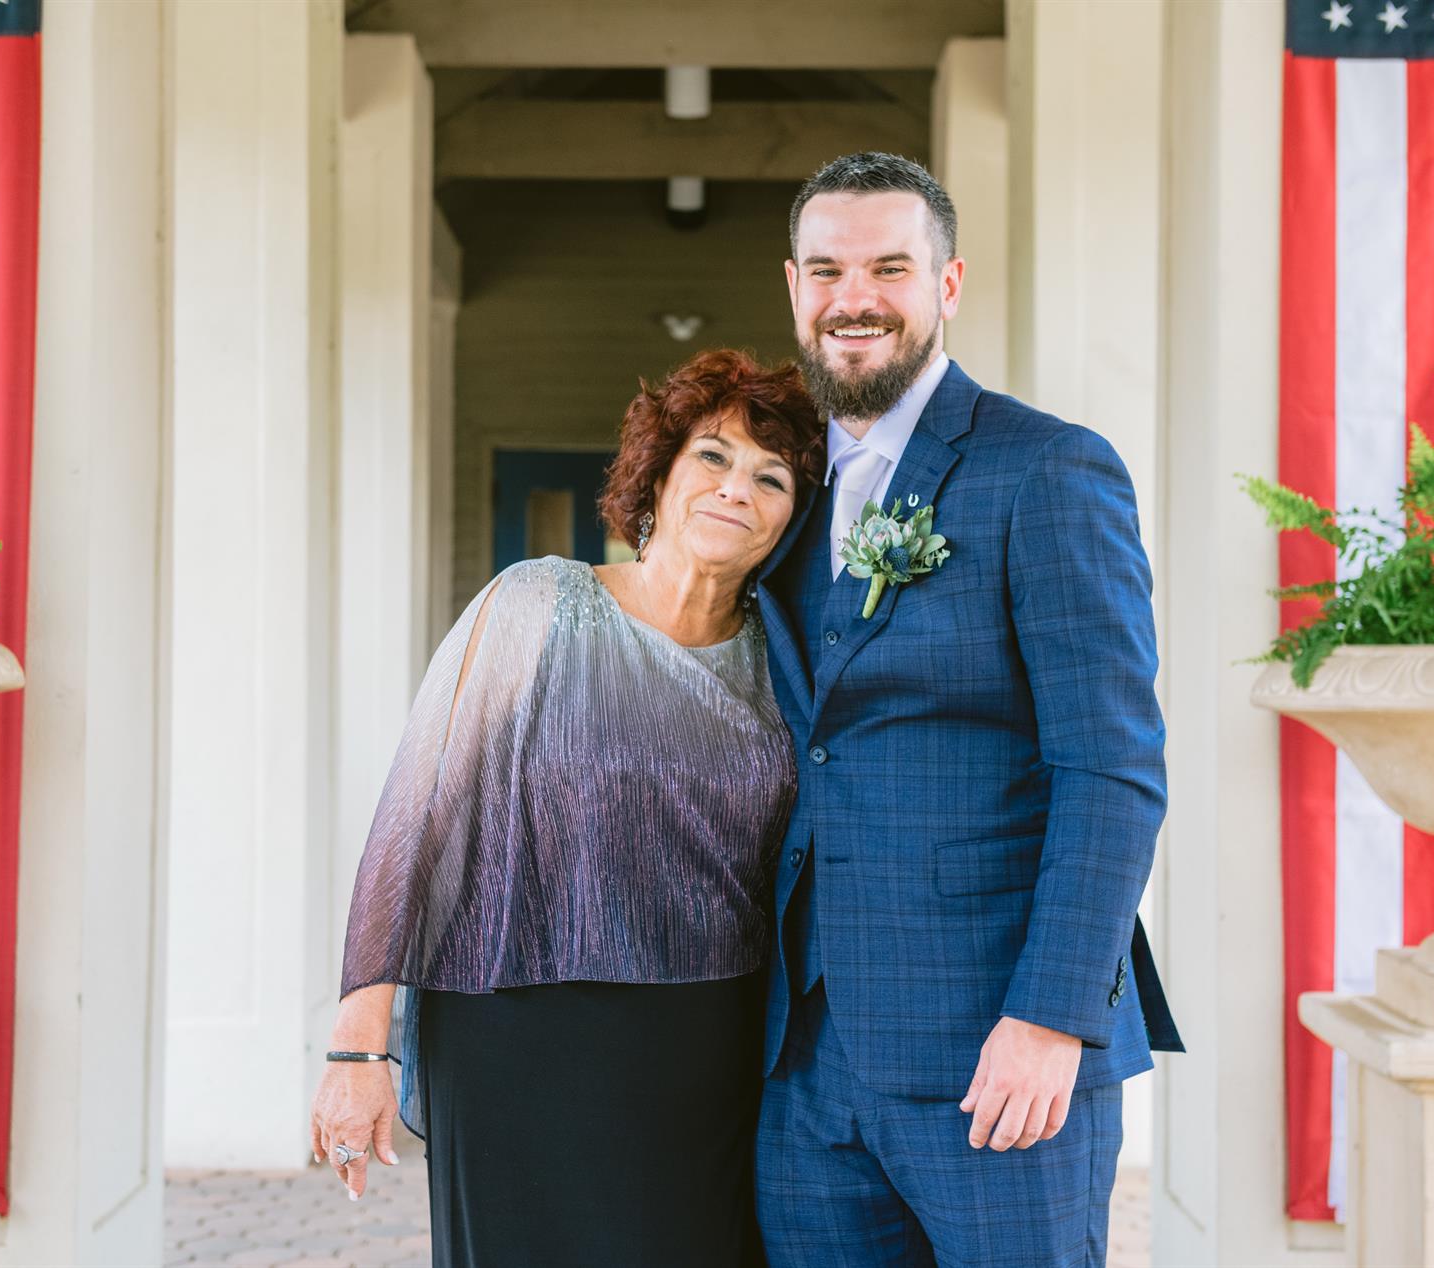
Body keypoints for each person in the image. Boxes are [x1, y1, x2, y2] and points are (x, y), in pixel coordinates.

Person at [751, 152, 1184, 1266]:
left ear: (947, 284)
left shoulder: (1047, 470)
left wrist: (1051, 1017)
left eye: (889, 268)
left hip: (998, 1053)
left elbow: (1112, 769)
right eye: (827, 270)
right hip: (803, 1063)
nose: (854, 297)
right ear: (794, 288)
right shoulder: (779, 489)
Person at [310, 348, 824, 1267]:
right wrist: (358, 1049)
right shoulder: (538, 602)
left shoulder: (786, 666)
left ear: (792, 519)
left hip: (707, 1047)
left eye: (771, 477)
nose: (735, 488)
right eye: (712, 456)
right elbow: (413, 822)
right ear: (657, 477)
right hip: (516, 1031)